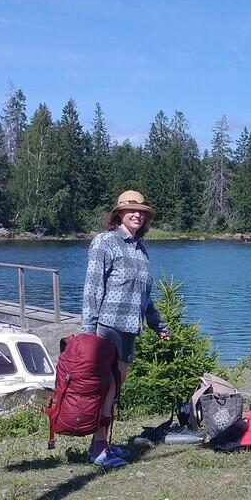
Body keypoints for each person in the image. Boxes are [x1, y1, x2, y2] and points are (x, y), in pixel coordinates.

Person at [82, 190, 170, 467]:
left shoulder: (139, 249)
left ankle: (104, 444)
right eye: (132, 210)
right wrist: (88, 330)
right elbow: (92, 288)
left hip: (129, 329)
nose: (138, 215)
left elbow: (144, 295)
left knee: (115, 391)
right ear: (118, 213)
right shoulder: (105, 242)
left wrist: (158, 325)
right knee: (105, 389)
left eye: (142, 212)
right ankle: (97, 449)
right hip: (106, 327)